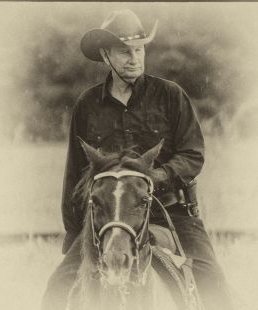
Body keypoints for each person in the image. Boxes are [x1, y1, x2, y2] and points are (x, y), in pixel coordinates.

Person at [42, 9, 233, 310]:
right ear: (105, 56)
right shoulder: (87, 105)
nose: (134, 58)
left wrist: (158, 176)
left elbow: (192, 154)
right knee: (56, 289)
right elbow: (75, 174)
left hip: (169, 211)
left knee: (214, 284)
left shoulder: (171, 96)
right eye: (124, 52)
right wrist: (74, 234)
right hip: (105, 219)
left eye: (139, 49)